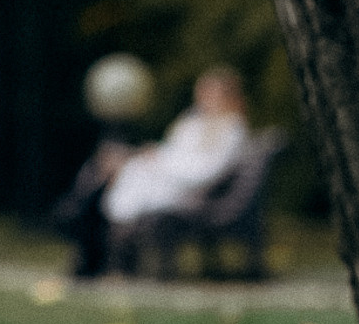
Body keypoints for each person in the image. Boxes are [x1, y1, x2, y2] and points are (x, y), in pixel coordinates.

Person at [99, 65, 250, 271]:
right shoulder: (192, 122)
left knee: (131, 176)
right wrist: (156, 155)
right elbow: (175, 150)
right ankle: (113, 248)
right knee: (126, 170)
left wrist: (161, 162)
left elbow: (208, 171)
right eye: (202, 92)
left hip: (198, 192)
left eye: (211, 92)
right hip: (176, 179)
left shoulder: (231, 127)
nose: (204, 98)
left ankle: (116, 252)